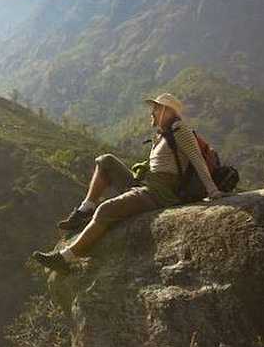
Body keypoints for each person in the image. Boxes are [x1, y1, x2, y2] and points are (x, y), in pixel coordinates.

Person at [31, 93, 226, 275]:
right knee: (106, 161)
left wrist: (213, 190)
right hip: (146, 185)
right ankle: (84, 210)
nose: (152, 112)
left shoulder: (180, 130)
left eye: (156, 109)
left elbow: (197, 159)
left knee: (107, 210)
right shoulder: (162, 134)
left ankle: (65, 259)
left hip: (160, 194)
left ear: (167, 111)